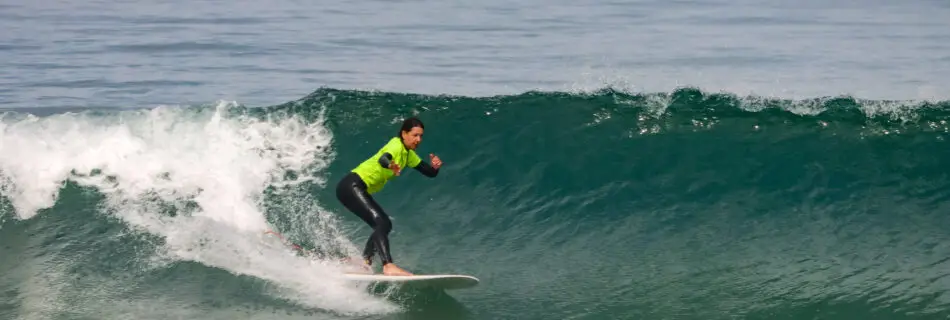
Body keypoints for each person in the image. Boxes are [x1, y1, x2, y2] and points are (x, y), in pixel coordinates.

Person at [335, 117, 442, 276]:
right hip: (352, 185)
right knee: (382, 223)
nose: (418, 139)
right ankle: (388, 265)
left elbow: (429, 173)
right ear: (404, 134)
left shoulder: (408, 155)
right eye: (415, 135)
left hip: (358, 188)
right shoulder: (396, 144)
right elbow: (383, 159)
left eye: (421, 136)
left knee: (384, 225)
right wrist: (391, 165)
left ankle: (365, 261)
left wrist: (435, 167)